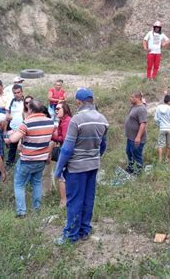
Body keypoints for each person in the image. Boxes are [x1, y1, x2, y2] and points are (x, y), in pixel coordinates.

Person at [54, 88, 108, 244]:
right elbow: (103, 146)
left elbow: (67, 148)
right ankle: (85, 230)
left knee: (74, 201)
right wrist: (93, 157)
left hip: (76, 168)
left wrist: (58, 170)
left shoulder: (76, 120)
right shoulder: (102, 119)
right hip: (93, 165)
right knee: (87, 198)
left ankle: (71, 235)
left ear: (78, 102)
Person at [5, 100, 55, 217]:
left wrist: (7, 137)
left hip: (27, 159)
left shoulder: (27, 123)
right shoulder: (50, 122)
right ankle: (36, 209)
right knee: (37, 183)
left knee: (19, 184)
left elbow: (13, 139)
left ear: (30, 109)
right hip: (41, 159)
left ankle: (21, 212)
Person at [51, 102, 72, 207]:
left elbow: (64, 139)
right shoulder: (63, 120)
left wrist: (52, 136)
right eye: (55, 109)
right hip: (66, 150)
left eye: (58, 108)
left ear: (65, 109)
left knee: (62, 176)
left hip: (66, 151)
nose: (56, 110)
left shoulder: (66, 122)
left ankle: (63, 201)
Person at [124, 91, 148, 174]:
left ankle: (138, 171)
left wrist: (138, 137)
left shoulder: (141, 109)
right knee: (129, 152)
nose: (130, 99)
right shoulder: (135, 106)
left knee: (136, 155)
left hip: (137, 138)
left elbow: (143, 124)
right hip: (130, 137)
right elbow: (143, 101)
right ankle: (130, 168)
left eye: (132, 97)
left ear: (137, 98)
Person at [6, 84, 25, 168]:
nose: (17, 94)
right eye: (15, 93)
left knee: (24, 147)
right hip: (13, 128)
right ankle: (10, 164)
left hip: (24, 129)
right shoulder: (11, 101)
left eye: (18, 92)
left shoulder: (27, 101)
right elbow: (7, 114)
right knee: (12, 147)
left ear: (22, 92)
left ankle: (23, 164)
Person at [154, 94, 170, 163]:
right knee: (168, 144)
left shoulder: (158, 107)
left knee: (160, 144)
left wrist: (160, 124)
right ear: (169, 101)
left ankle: (160, 160)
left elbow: (156, 119)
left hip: (162, 128)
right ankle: (167, 159)